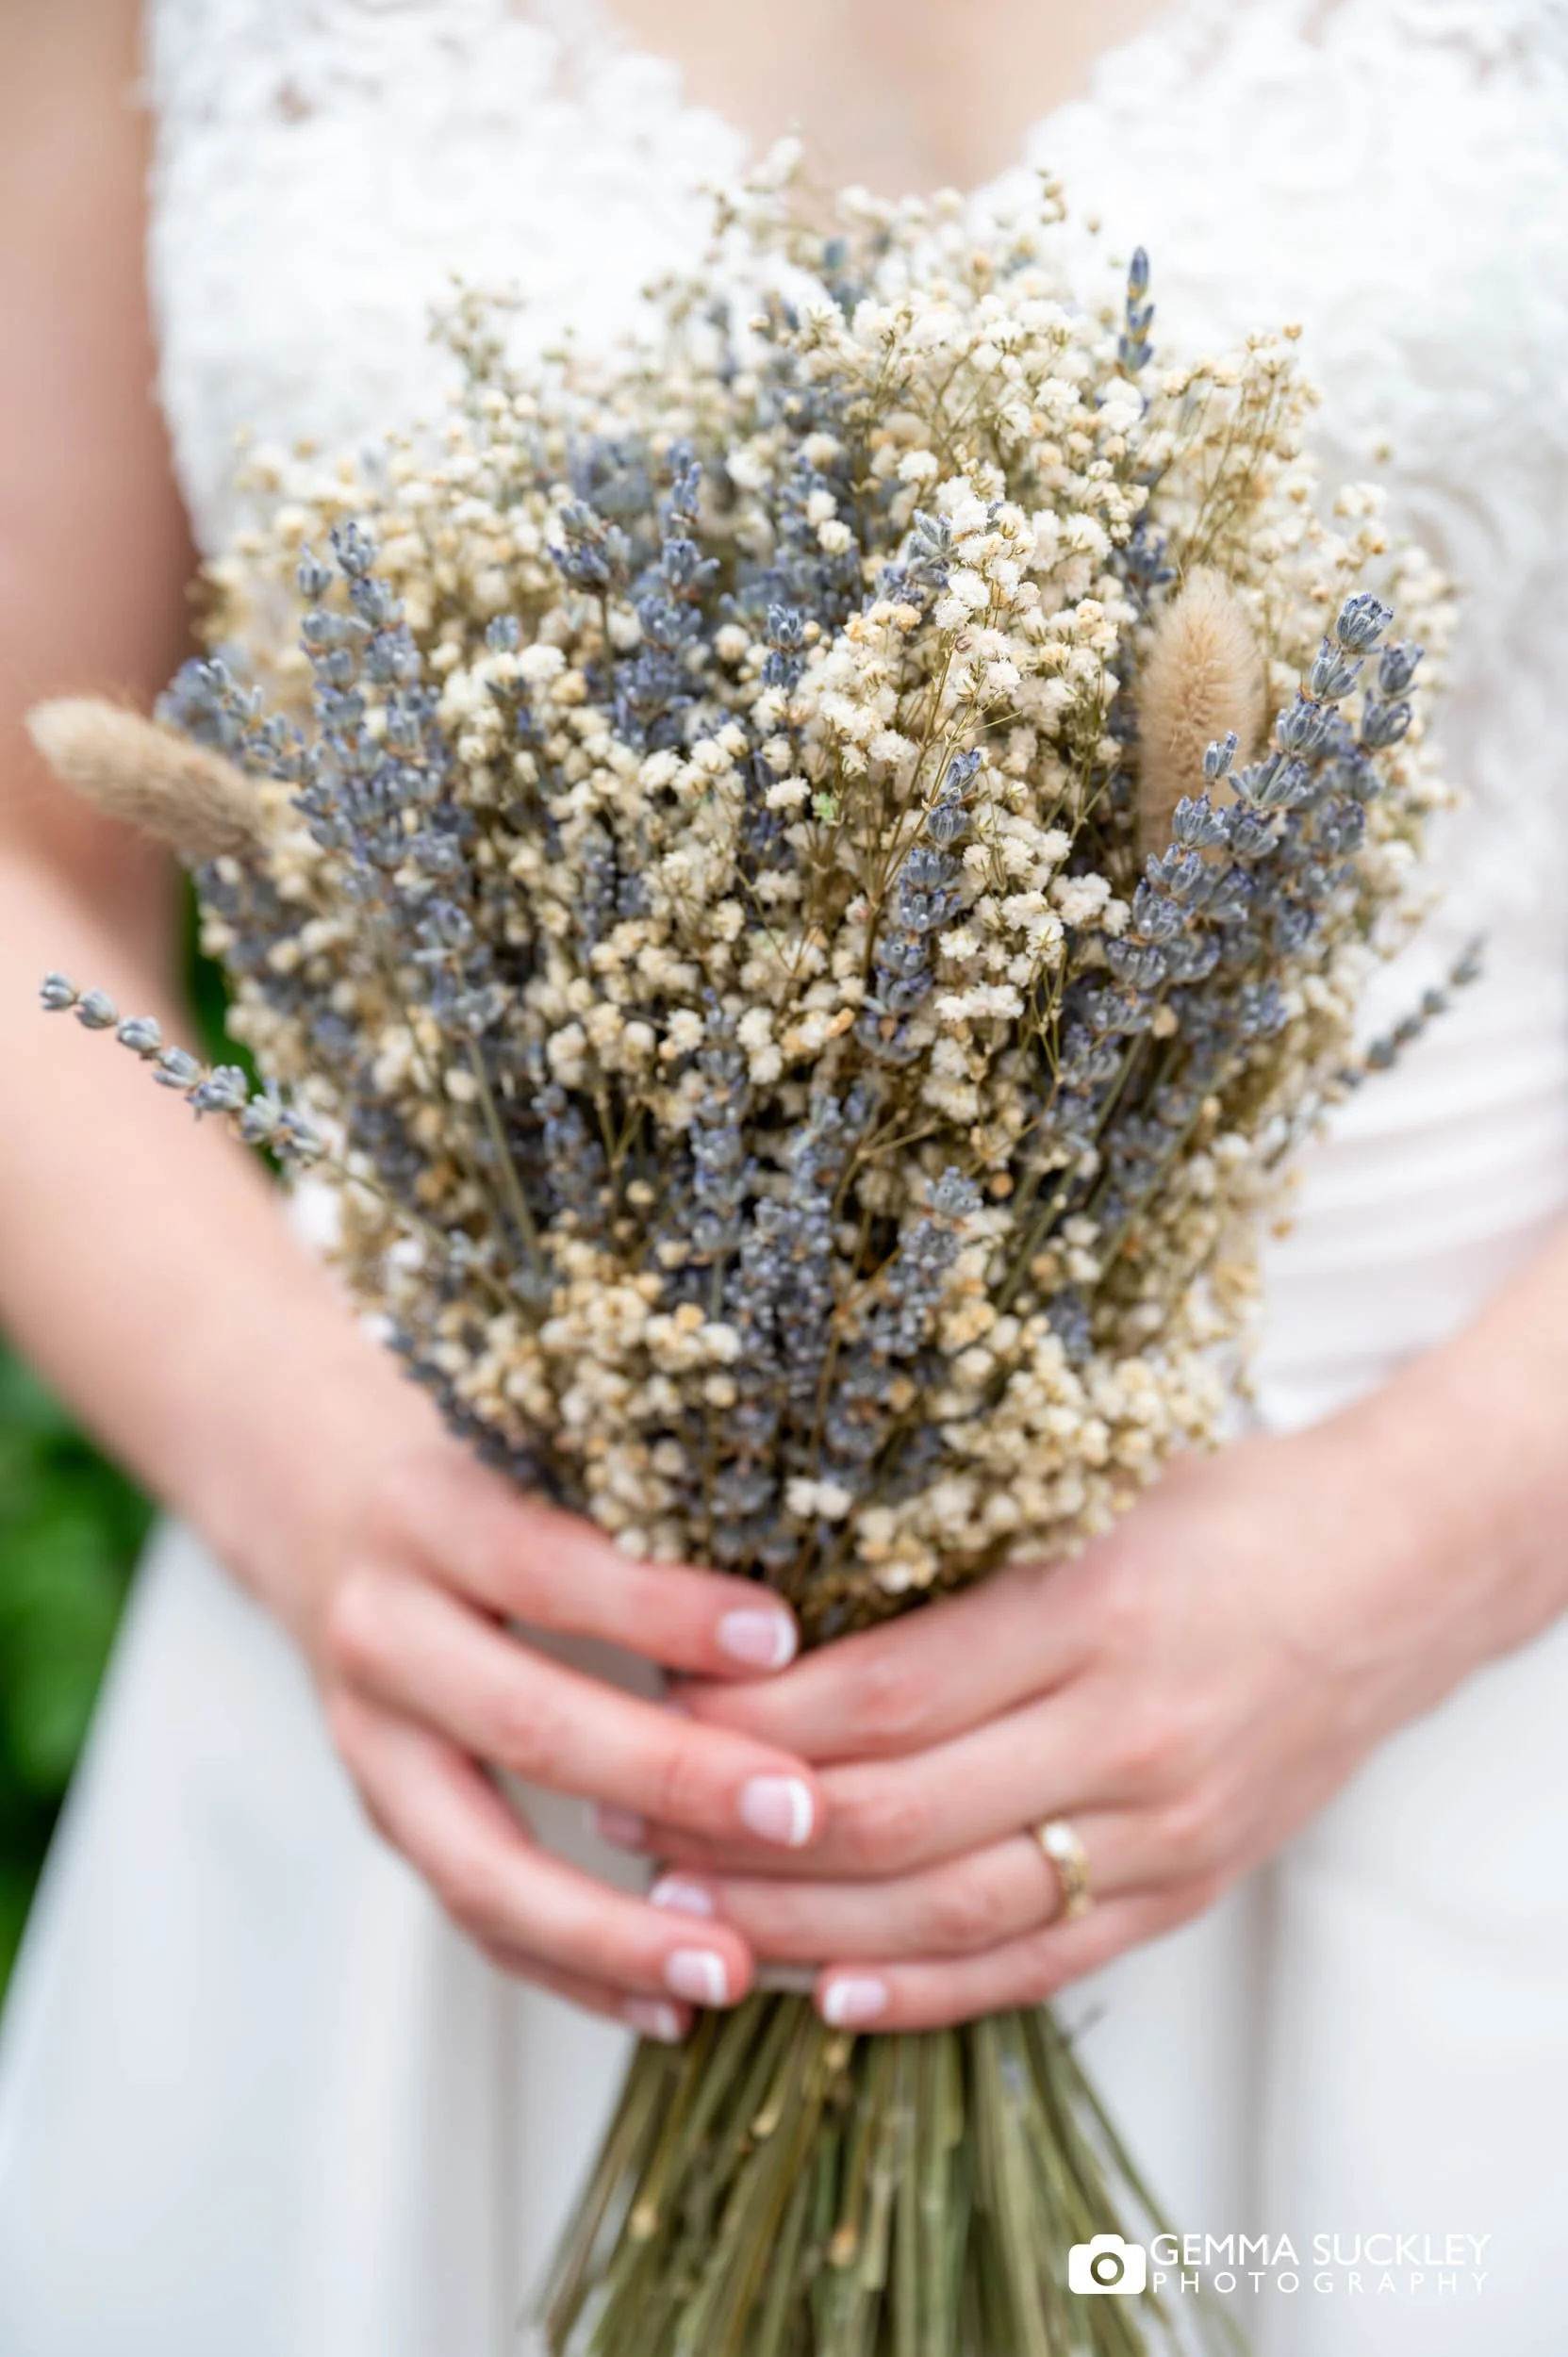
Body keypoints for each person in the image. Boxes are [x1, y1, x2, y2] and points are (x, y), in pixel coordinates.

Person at [0, 2, 1564, 2350]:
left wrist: (1415, 1551)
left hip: (1437, 1686)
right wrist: (312, 1471)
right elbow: (23, 835)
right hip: (480, 1713)